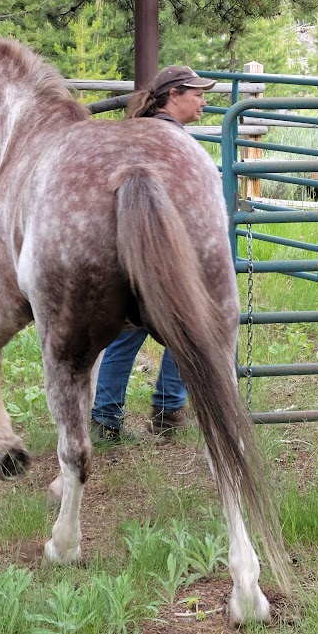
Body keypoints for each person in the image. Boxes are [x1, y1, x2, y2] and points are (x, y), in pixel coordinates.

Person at [92, 65, 220, 441]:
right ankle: (168, 411)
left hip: (127, 251)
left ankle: (105, 419)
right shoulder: (175, 143)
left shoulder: (136, 133)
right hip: (169, 251)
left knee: (123, 335)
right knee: (188, 325)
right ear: (173, 95)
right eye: (196, 93)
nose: (203, 100)